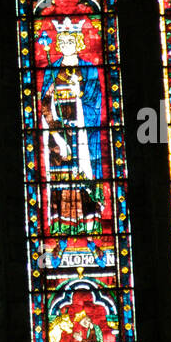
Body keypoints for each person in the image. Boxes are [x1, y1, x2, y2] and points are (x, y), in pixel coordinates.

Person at [39, 18, 103, 232]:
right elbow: (45, 102)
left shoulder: (89, 69)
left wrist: (80, 94)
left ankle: (88, 223)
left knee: (82, 175)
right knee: (62, 176)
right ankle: (63, 225)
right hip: (58, 134)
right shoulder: (52, 69)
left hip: (83, 131)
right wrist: (56, 128)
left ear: (78, 43)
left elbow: (96, 102)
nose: (67, 46)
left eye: (71, 41)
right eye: (63, 42)